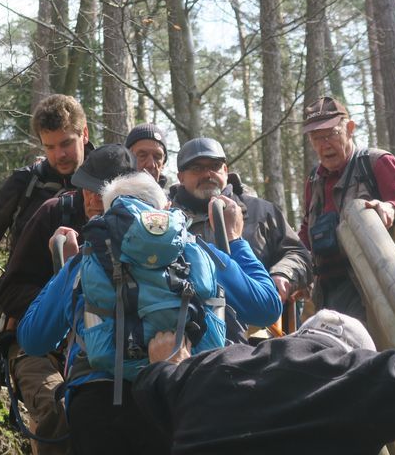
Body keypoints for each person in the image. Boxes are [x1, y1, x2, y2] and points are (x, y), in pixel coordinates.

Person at [17, 171, 279, 455]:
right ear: (165, 208)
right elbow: (266, 307)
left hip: (101, 405)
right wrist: (235, 239)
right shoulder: (194, 248)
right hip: (183, 399)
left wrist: (65, 269)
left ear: (109, 215)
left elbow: (33, 339)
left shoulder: (89, 257)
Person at [133, 309, 395, 455]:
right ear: (354, 351)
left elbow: (151, 385)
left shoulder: (213, 363)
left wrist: (167, 363)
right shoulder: (359, 377)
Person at [0, 144, 137, 454]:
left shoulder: (154, 238)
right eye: (85, 188)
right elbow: (10, 290)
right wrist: (63, 293)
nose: (90, 199)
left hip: (115, 353)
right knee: (56, 410)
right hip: (41, 350)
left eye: (99, 191)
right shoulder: (54, 212)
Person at [0, 94, 93, 317]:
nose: (59, 154)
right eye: (50, 147)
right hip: (26, 308)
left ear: (84, 134)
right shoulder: (26, 184)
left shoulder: (106, 181)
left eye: (66, 143)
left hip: (92, 308)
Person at [298, 96, 395, 322]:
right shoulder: (314, 180)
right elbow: (305, 234)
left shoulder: (376, 162)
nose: (324, 145)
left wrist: (392, 209)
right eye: (316, 138)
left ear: (350, 129)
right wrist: (296, 267)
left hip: (376, 289)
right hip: (326, 293)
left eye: (331, 135)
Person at [170, 137, 311, 338]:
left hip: (262, 340)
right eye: (196, 168)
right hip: (191, 338)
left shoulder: (261, 211)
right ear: (181, 177)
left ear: (225, 171)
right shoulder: (169, 222)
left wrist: (283, 274)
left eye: (215, 166)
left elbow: (298, 253)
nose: (207, 174)